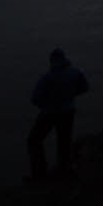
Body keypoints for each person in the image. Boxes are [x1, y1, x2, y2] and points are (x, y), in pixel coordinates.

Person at [28, 48, 88, 180]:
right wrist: (71, 95)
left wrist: (45, 105)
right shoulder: (75, 72)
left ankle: (39, 173)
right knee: (64, 141)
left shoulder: (47, 77)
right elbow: (85, 87)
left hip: (50, 113)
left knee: (34, 140)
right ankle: (64, 170)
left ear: (51, 60)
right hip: (68, 112)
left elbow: (35, 98)